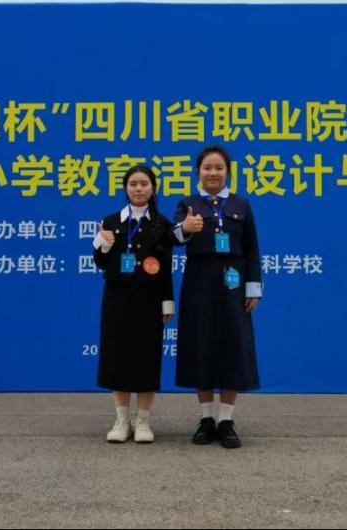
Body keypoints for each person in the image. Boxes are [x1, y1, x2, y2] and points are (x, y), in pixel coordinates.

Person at [173, 145, 262, 449]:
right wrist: (185, 228)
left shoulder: (241, 204)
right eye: (207, 168)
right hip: (199, 280)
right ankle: (206, 419)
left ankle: (226, 421)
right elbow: (174, 238)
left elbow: (252, 248)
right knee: (202, 345)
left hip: (233, 282)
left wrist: (253, 288)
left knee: (232, 345)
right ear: (198, 171)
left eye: (219, 168)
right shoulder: (188, 203)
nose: (213, 173)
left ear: (228, 172)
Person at [93, 165, 175, 443]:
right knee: (117, 356)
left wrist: (167, 302)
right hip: (117, 298)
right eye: (133, 184)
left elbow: (166, 267)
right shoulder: (111, 221)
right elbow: (100, 262)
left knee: (146, 357)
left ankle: (143, 422)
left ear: (153, 188)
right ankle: (121, 420)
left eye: (144, 184)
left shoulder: (162, 224)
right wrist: (103, 243)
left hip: (149, 300)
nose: (138, 189)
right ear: (125, 188)